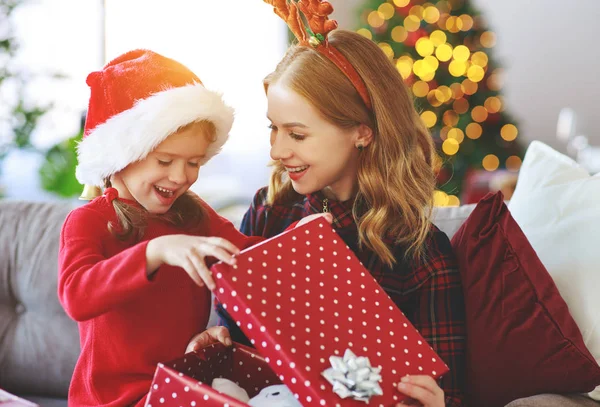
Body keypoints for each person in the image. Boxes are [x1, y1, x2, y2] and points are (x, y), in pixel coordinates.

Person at [217, 2, 466, 406]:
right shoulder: (269, 212)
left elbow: (452, 393)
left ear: (362, 132)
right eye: (273, 129)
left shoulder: (423, 255)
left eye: (296, 135)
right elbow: (235, 336)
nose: (278, 150)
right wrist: (216, 340)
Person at [58, 49, 328, 407]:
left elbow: (243, 256)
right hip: (113, 399)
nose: (181, 176)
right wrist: (155, 251)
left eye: (194, 162)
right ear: (121, 156)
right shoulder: (89, 220)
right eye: (165, 160)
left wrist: (294, 243)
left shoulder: (193, 214)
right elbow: (77, 295)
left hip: (181, 385)